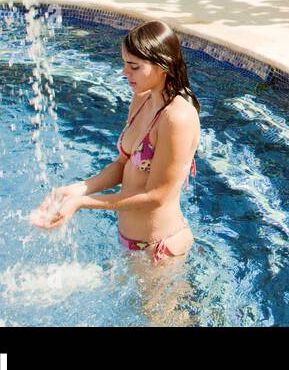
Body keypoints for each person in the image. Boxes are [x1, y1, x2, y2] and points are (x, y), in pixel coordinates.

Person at [30, 20, 201, 267]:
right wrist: (78, 189)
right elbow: (124, 164)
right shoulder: (142, 99)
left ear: (163, 66)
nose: (124, 72)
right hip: (130, 246)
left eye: (134, 66)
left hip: (159, 252)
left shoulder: (177, 118)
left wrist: (83, 203)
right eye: (124, 64)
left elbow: (157, 196)